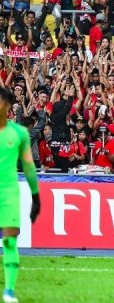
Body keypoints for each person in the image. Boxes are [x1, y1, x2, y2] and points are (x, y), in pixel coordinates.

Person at [0, 86, 41, 303]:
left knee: (9, 241)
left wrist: (36, 196)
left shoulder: (19, 133)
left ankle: (9, 291)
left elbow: (29, 166)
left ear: (7, 106)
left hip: (8, 192)